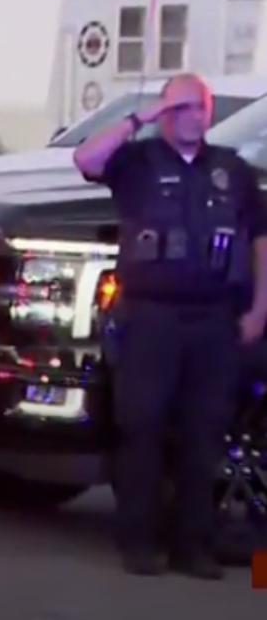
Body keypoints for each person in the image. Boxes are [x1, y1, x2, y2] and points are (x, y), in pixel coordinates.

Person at [72, 74, 266, 580]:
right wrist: (142, 117)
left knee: (206, 434)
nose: (192, 117)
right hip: (149, 315)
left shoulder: (232, 171)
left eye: (199, 108)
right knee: (143, 428)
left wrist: (260, 308)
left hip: (214, 320)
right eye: (181, 108)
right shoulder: (137, 162)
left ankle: (194, 545)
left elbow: (260, 240)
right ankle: (138, 540)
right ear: (164, 112)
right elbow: (86, 160)